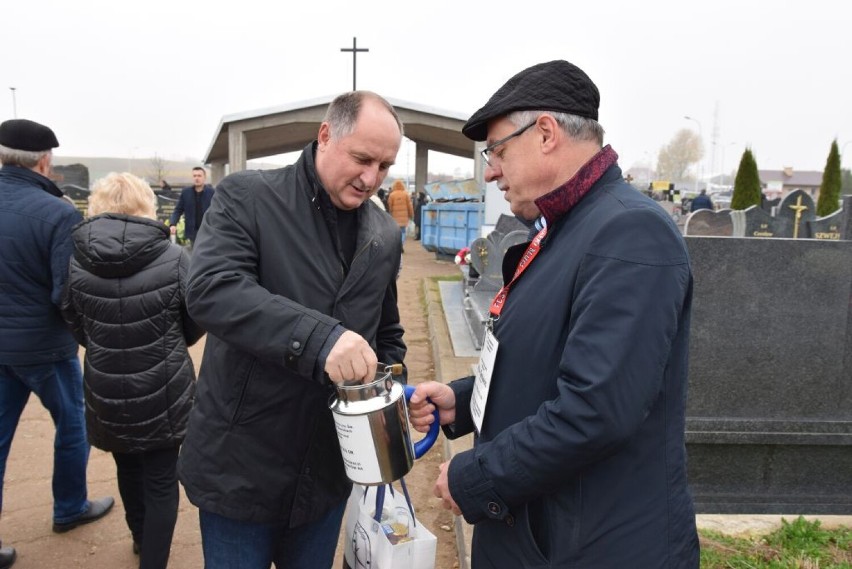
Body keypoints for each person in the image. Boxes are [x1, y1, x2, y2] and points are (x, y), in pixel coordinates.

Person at [409, 60, 700, 568]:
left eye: (497, 151)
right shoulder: (564, 227)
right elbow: (541, 358)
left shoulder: (629, 234)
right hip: (550, 533)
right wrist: (462, 400)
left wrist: (477, 478)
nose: (492, 170)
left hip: (591, 546)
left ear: (545, 133)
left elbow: (595, 410)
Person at [177, 90, 407, 569]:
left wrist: (394, 392)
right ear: (326, 135)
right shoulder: (248, 197)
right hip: (241, 466)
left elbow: (387, 334)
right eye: (362, 159)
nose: (371, 178)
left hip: (326, 471)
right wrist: (322, 339)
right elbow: (212, 289)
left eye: (384, 166)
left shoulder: (385, 235)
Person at [60, 172, 204, 568]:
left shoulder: (77, 260)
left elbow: (73, 320)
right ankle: (151, 557)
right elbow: (194, 320)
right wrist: (172, 343)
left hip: (106, 384)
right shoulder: (175, 258)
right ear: (143, 206)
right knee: (161, 478)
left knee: (126, 464)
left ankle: (141, 536)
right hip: (163, 385)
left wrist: (106, 345)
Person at [0, 119, 114, 567]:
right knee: (73, 425)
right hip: (45, 348)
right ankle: (69, 507)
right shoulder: (58, 213)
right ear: (45, 161)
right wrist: (86, 338)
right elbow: (65, 293)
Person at [168, 166, 214, 246]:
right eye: (194, 176)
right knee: (193, 256)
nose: (197, 178)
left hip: (208, 232)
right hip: (192, 233)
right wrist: (173, 224)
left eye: (199, 176)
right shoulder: (186, 192)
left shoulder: (212, 193)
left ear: (204, 177)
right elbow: (178, 210)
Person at [386, 179, 413, 252]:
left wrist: (390, 213)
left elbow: (390, 206)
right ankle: (401, 243)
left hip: (395, 216)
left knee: (396, 232)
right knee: (403, 231)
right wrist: (411, 215)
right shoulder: (406, 194)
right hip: (404, 217)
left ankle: (398, 244)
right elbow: (409, 206)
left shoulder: (392, 195)